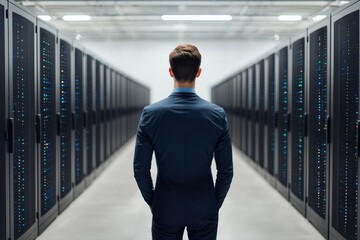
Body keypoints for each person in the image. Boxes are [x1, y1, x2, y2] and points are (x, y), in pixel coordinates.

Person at [133, 44, 233, 240]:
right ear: (199, 72)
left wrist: (154, 201)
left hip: (166, 205)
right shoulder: (216, 115)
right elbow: (226, 170)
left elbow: (140, 169)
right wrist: (214, 203)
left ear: (171, 72)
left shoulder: (151, 114)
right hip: (204, 205)